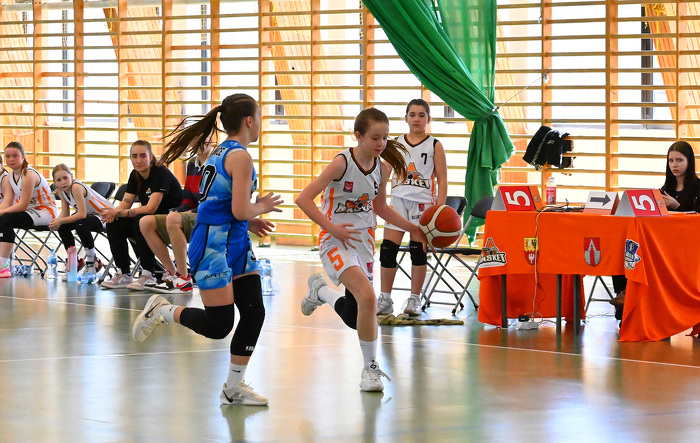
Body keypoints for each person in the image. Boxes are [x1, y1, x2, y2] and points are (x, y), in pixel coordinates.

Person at [131, 93, 281, 406]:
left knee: (254, 312)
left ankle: (233, 388)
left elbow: (219, 203)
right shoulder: (239, 156)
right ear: (249, 120)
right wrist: (260, 207)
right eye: (260, 118)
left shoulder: (221, 152)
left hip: (234, 242)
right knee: (219, 326)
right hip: (213, 246)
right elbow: (239, 208)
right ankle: (163, 311)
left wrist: (247, 222)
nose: (260, 124)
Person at [296, 107, 428, 392]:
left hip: (364, 243)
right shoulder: (341, 163)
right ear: (358, 136)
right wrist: (332, 228)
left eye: (385, 138)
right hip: (335, 240)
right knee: (369, 297)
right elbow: (303, 198)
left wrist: (413, 228)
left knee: (356, 315)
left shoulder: (382, 168)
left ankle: (320, 292)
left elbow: (380, 208)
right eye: (375, 138)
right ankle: (370, 370)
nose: (381, 143)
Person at [610, 140, 700, 317]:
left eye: (679, 160)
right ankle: (624, 296)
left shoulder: (698, 188)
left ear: (689, 161)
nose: (674, 165)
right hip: (662, 242)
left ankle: (629, 297)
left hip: (687, 246)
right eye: (671, 160)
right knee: (627, 251)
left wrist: (678, 207)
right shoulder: (665, 189)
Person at [377, 99, 447, 316]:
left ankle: (414, 299)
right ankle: (385, 299)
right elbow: (385, 172)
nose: (416, 119)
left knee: (418, 252)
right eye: (412, 114)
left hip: (423, 204)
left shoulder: (434, 145)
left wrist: (439, 209)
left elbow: (443, 179)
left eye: (421, 115)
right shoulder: (395, 143)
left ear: (428, 119)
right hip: (397, 201)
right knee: (387, 251)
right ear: (406, 118)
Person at [100, 140, 183, 289]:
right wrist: (113, 213)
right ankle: (124, 274)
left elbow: (151, 208)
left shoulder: (160, 173)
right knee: (115, 223)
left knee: (141, 220)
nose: (138, 160)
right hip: (150, 219)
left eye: (143, 156)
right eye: (134, 156)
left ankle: (149, 274)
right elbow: (125, 203)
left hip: (171, 220)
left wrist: (120, 212)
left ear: (151, 157)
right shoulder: (135, 175)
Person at [139, 138, 215, 293]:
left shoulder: (217, 163)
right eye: (195, 139)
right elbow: (188, 197)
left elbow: (212, 200)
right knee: (145, 222)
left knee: (173, 218)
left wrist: (186, 213)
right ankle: (173, 273)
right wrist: (178, 211)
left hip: (210, 216)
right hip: (192, 215)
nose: (197, 142)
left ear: (211, 140)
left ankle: (184, 278)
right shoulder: (192, 164)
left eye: (202, 138)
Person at [0, 142, 58, 278]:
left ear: (23, 157)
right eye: (8, 156)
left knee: (6, 219)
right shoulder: (9, 177)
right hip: (30, 211)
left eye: (15, 155)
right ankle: (5, 263)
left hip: (45, 211)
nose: (11, 159)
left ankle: (3, 265)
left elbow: (22, 205)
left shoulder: (28, 175)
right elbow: (7, 203)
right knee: (4, 218)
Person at [49, 164, 115, 278]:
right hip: (89, 216)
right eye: (59, 180)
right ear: (55, 182)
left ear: (71, 176)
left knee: (81, 224)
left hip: (104, 215)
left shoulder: (76, 187)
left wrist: (60, 221)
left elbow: (81, 214)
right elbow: (65, 213)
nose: (63, 182)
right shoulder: (61, 190)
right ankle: (74, 259)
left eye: (65, 178)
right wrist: (57, 222)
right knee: (63, 226)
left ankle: (92, 260)